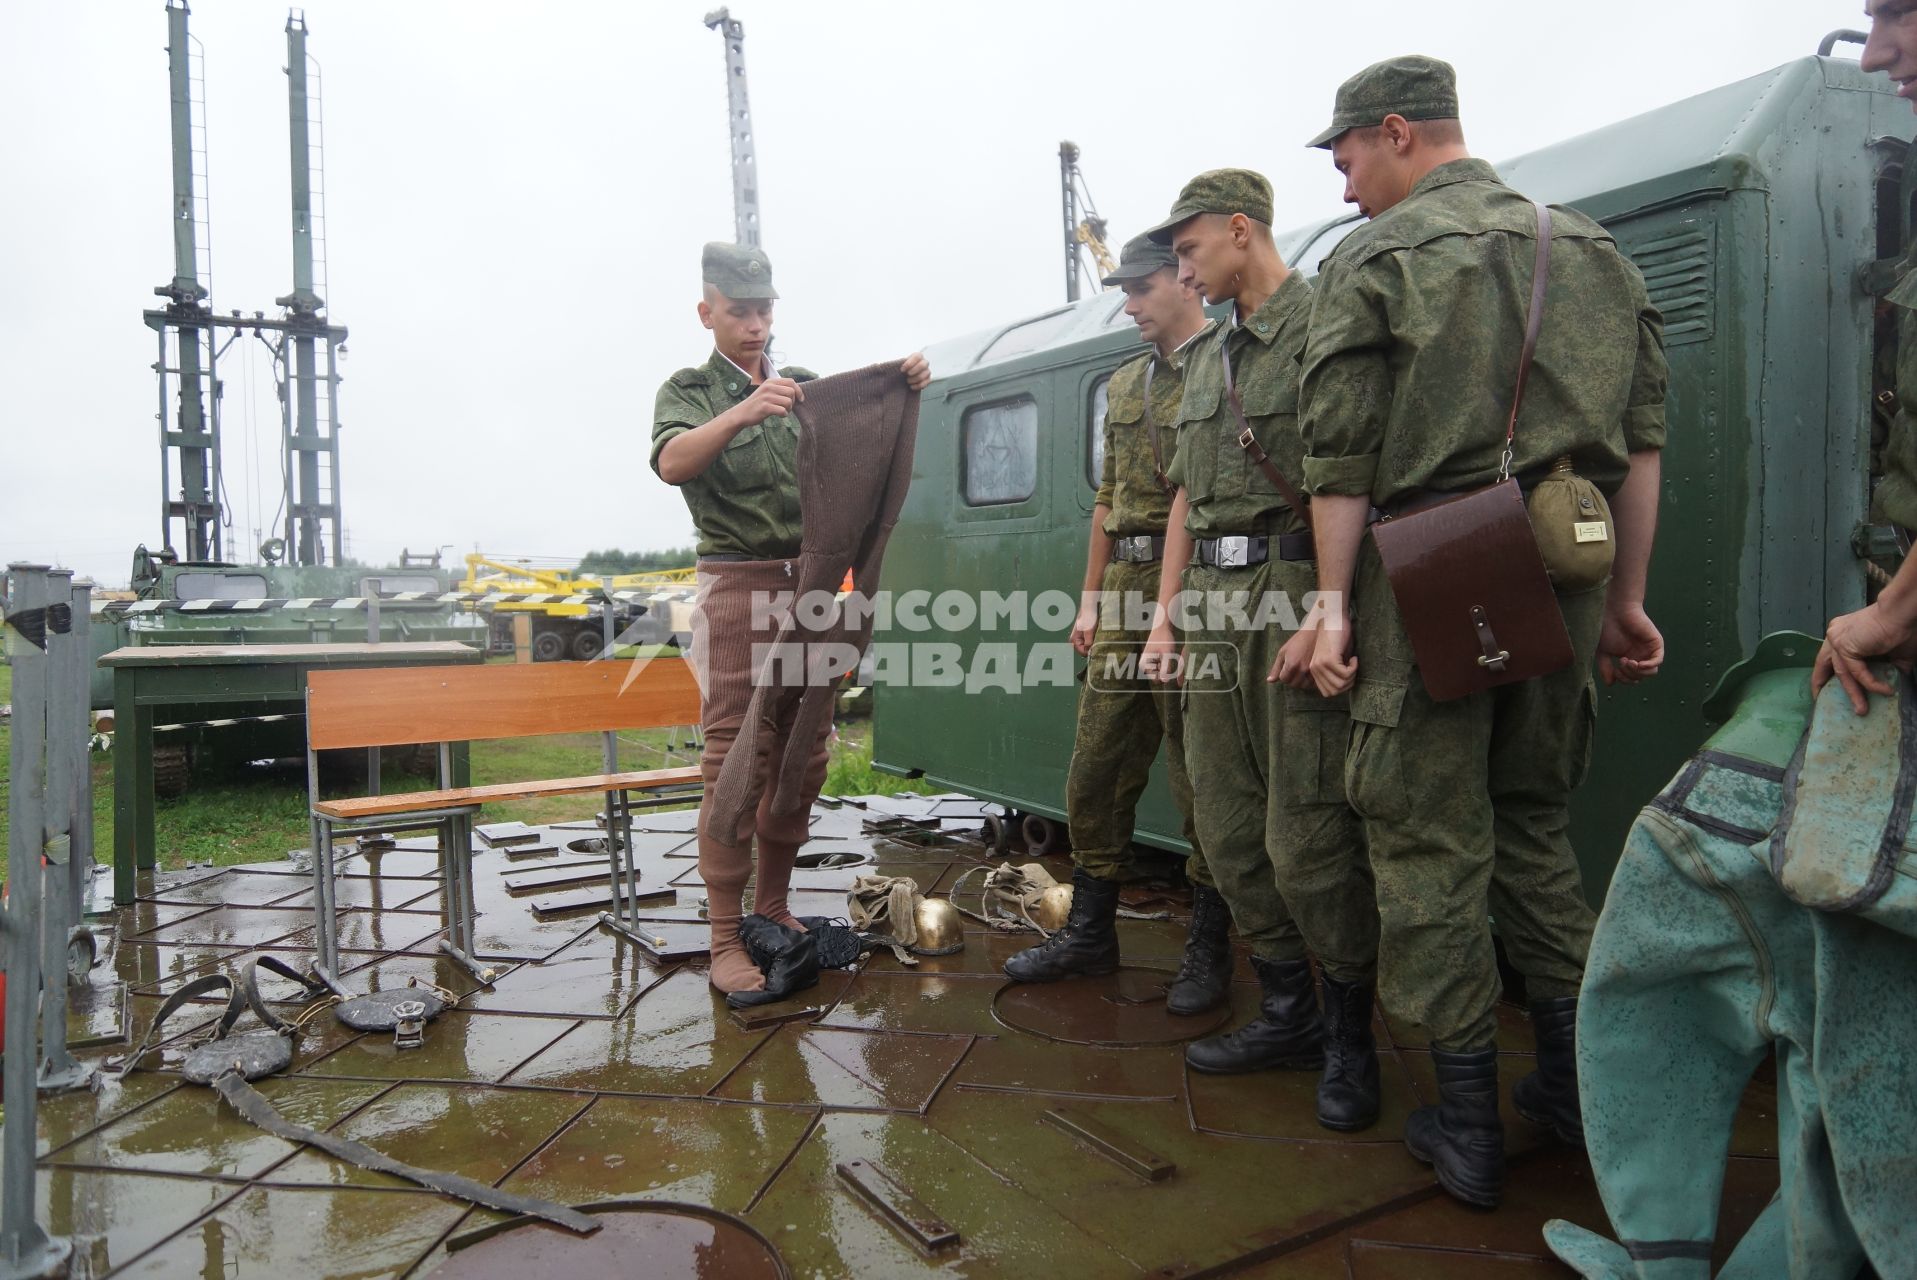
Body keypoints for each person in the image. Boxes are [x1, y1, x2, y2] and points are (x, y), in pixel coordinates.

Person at [1294, 56, 1669, 1206]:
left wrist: (1326, 603)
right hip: (1562, 571)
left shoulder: (1373, 258)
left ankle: (1465, 1123)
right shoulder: (1592, 249)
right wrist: (1624, 601)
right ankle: (1570, 1089)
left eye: (1350, 154)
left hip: (1433, 575)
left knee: (1425, 842)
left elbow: (1343, 462)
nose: (1348, 184)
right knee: (1537, 832)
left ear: (1399, 132)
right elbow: (1642, 444)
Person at [1134, 170, 1382, 1132]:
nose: (1182, 269)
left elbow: (1344, 475)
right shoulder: (1208, 359)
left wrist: (1327, 609)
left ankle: (1350, 1038)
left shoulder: (1327, 323)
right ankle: (1287, 1014)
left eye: (1190, 249)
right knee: (1230, 832)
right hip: (1207, 607)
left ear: (1242, 231)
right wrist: (1163, 617)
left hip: (1287, 589)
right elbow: (1188, 498)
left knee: (1309, 834)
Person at [652, 241, 930, 996]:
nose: (754, 324)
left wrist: (902, 384)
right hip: (737, 591)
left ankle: (771, 908)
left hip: (808, 589)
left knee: (802, 754)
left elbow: (867, 425)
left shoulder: (803, 386)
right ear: (706, 311)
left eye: (764, 310)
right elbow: (673, 462)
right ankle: (721, 937)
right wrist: (743, 412)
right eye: (738, 311)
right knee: (734, 759)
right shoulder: (689, 389)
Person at [1003, 234, 1233, 1015]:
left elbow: (1191, 499)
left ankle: (1210, 947)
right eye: (1123, 290)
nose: (1129, 304)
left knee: (1199, 770)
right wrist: (1092, 596)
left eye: (1140, 288)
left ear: (1183, 279)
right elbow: (1108, 499)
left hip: (1197, 586)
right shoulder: (1127, 382)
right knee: (1097, 761)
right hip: (1128, 587)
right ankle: (1091, 932)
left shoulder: (1228, 364)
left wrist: (1166, 616)